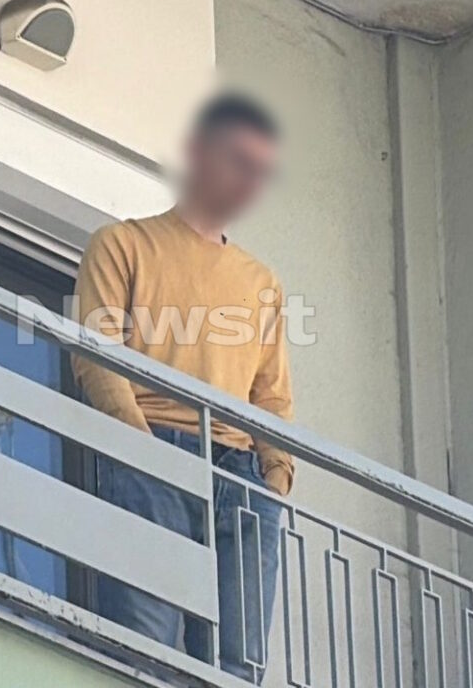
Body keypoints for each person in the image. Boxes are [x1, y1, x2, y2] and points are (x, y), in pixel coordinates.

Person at [71, 92, 294, 682]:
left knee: (236, 666)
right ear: (197, 154)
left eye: (260, 170)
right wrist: (141, 448)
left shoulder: (262, 281)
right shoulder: (122, 244)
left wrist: (275, 479)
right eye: (238, 161)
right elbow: (97, 353)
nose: (249, 182)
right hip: (155, 449)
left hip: (241, 476)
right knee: (145, 648)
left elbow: (271, 395)